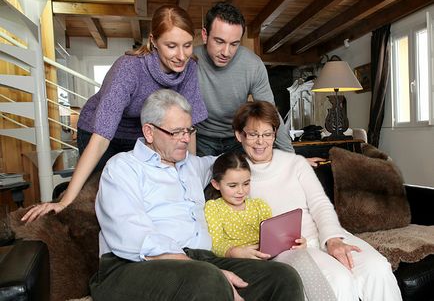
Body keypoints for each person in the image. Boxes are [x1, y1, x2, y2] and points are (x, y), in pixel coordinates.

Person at [89, 89, 304, 301]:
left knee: (283, 277)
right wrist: (199, 268)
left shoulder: (192, 165)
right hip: (134, 265)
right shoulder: (123, 168)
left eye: (188, 131)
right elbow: (134, 236)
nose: (185, 139)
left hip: (201, 261)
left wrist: (262, 143)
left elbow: (232, 163)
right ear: (149, 132)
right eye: (176, 132)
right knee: (207, 279)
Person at [22, 5, 207, 222]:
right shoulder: (129, 68)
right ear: (153, 41)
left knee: (145, 194)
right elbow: (100, 139)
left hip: (142, 136)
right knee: (103, 196)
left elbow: (188, 127)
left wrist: (191, 179)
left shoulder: (190, 68)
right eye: (171, 46)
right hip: (100, 133)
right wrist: (65, 201)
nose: (181, 55)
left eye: (187, 46)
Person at [231, 100, 403, 301]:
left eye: (267, 134)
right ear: (239, 135)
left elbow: (320, 204)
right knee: (338, 280)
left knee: (377, 268)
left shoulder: (295, 163)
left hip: (322, 235)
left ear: (275, 134)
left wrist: (332, 239)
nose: (261, 142)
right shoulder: (234, 174)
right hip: (287, 250)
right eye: (253, 134)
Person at [205, 151, 336, 301]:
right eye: (233, 185)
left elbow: (274, 234)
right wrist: (234, 251)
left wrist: (294, 240)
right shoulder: (213, 207)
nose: (241, 191)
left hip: (269, 256)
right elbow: (215, 243)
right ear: (216, 184)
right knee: (285, 275)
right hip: (240, 261)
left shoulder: (259, 205)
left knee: (300, 258)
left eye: (246, 184)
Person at [194, 2, 293, 156]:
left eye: (234, 44)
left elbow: (270, 113)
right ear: (205, 35)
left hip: (238, 137)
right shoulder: (189, 61)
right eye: (219, 42)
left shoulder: (252, 64)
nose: (226, 52)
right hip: (200, 138)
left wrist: (291, 158)